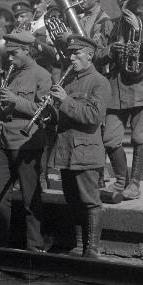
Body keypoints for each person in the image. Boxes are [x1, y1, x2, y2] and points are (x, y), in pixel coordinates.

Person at [0, 31, 52, 251]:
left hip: (27, 143)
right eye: (9, 54)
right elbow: (7, 109)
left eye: (14, 54)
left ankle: (35, 245)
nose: (10, 59)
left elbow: (44, 113)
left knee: (30, 197)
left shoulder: (42, 75)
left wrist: (15, 100)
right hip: (5, 142)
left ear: (27, 50)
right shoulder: (10, 74)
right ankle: (1, 243)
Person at [96, 0, 143, 203]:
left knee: (138, 135)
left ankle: (134, 184)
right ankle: (122, 181)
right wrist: (110, 50)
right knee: (110, 138)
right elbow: (96, 54)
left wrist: (137, 31)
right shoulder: (110, 24)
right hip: (117, 90)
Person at [50, 35, 111, 258]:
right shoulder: (69, 80)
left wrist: (65, 100)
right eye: (70, 53)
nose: (71, 57)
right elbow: (62, 116)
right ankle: (79, 245)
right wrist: (50, 109)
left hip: (86, 151)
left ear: (90, 55)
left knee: (90, 201)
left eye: (76, 53)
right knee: (73, 201)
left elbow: (93, 117)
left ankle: (92, 247)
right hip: (67, 151)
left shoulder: (99, 82)